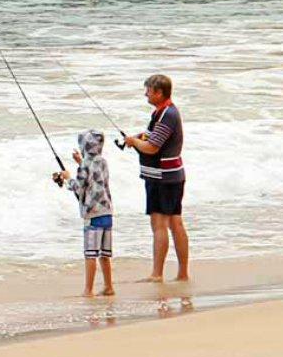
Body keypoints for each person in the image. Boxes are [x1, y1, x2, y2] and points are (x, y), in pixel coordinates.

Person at [122, 73, 188, 282]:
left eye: (149, 91)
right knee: (175, 223)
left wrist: (134, 142)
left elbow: (152, 148)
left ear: (159, 93)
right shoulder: (162, 113)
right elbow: (152, 138)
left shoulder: (167, 115)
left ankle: (157, 274)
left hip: (163, 178)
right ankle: (182, 273)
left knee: (159, 223)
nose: (146, 95)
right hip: (170, 176)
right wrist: (139, 138)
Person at [51, 129, 115, 296]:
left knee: (90, 254)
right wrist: (81, 163)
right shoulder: (103, 162)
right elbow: (94, 178)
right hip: (107, 213)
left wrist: (67, 177)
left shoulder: (86, 165)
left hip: (92, 215)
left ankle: (89, 290)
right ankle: (109, 287)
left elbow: (79, 187)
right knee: (104, 254)